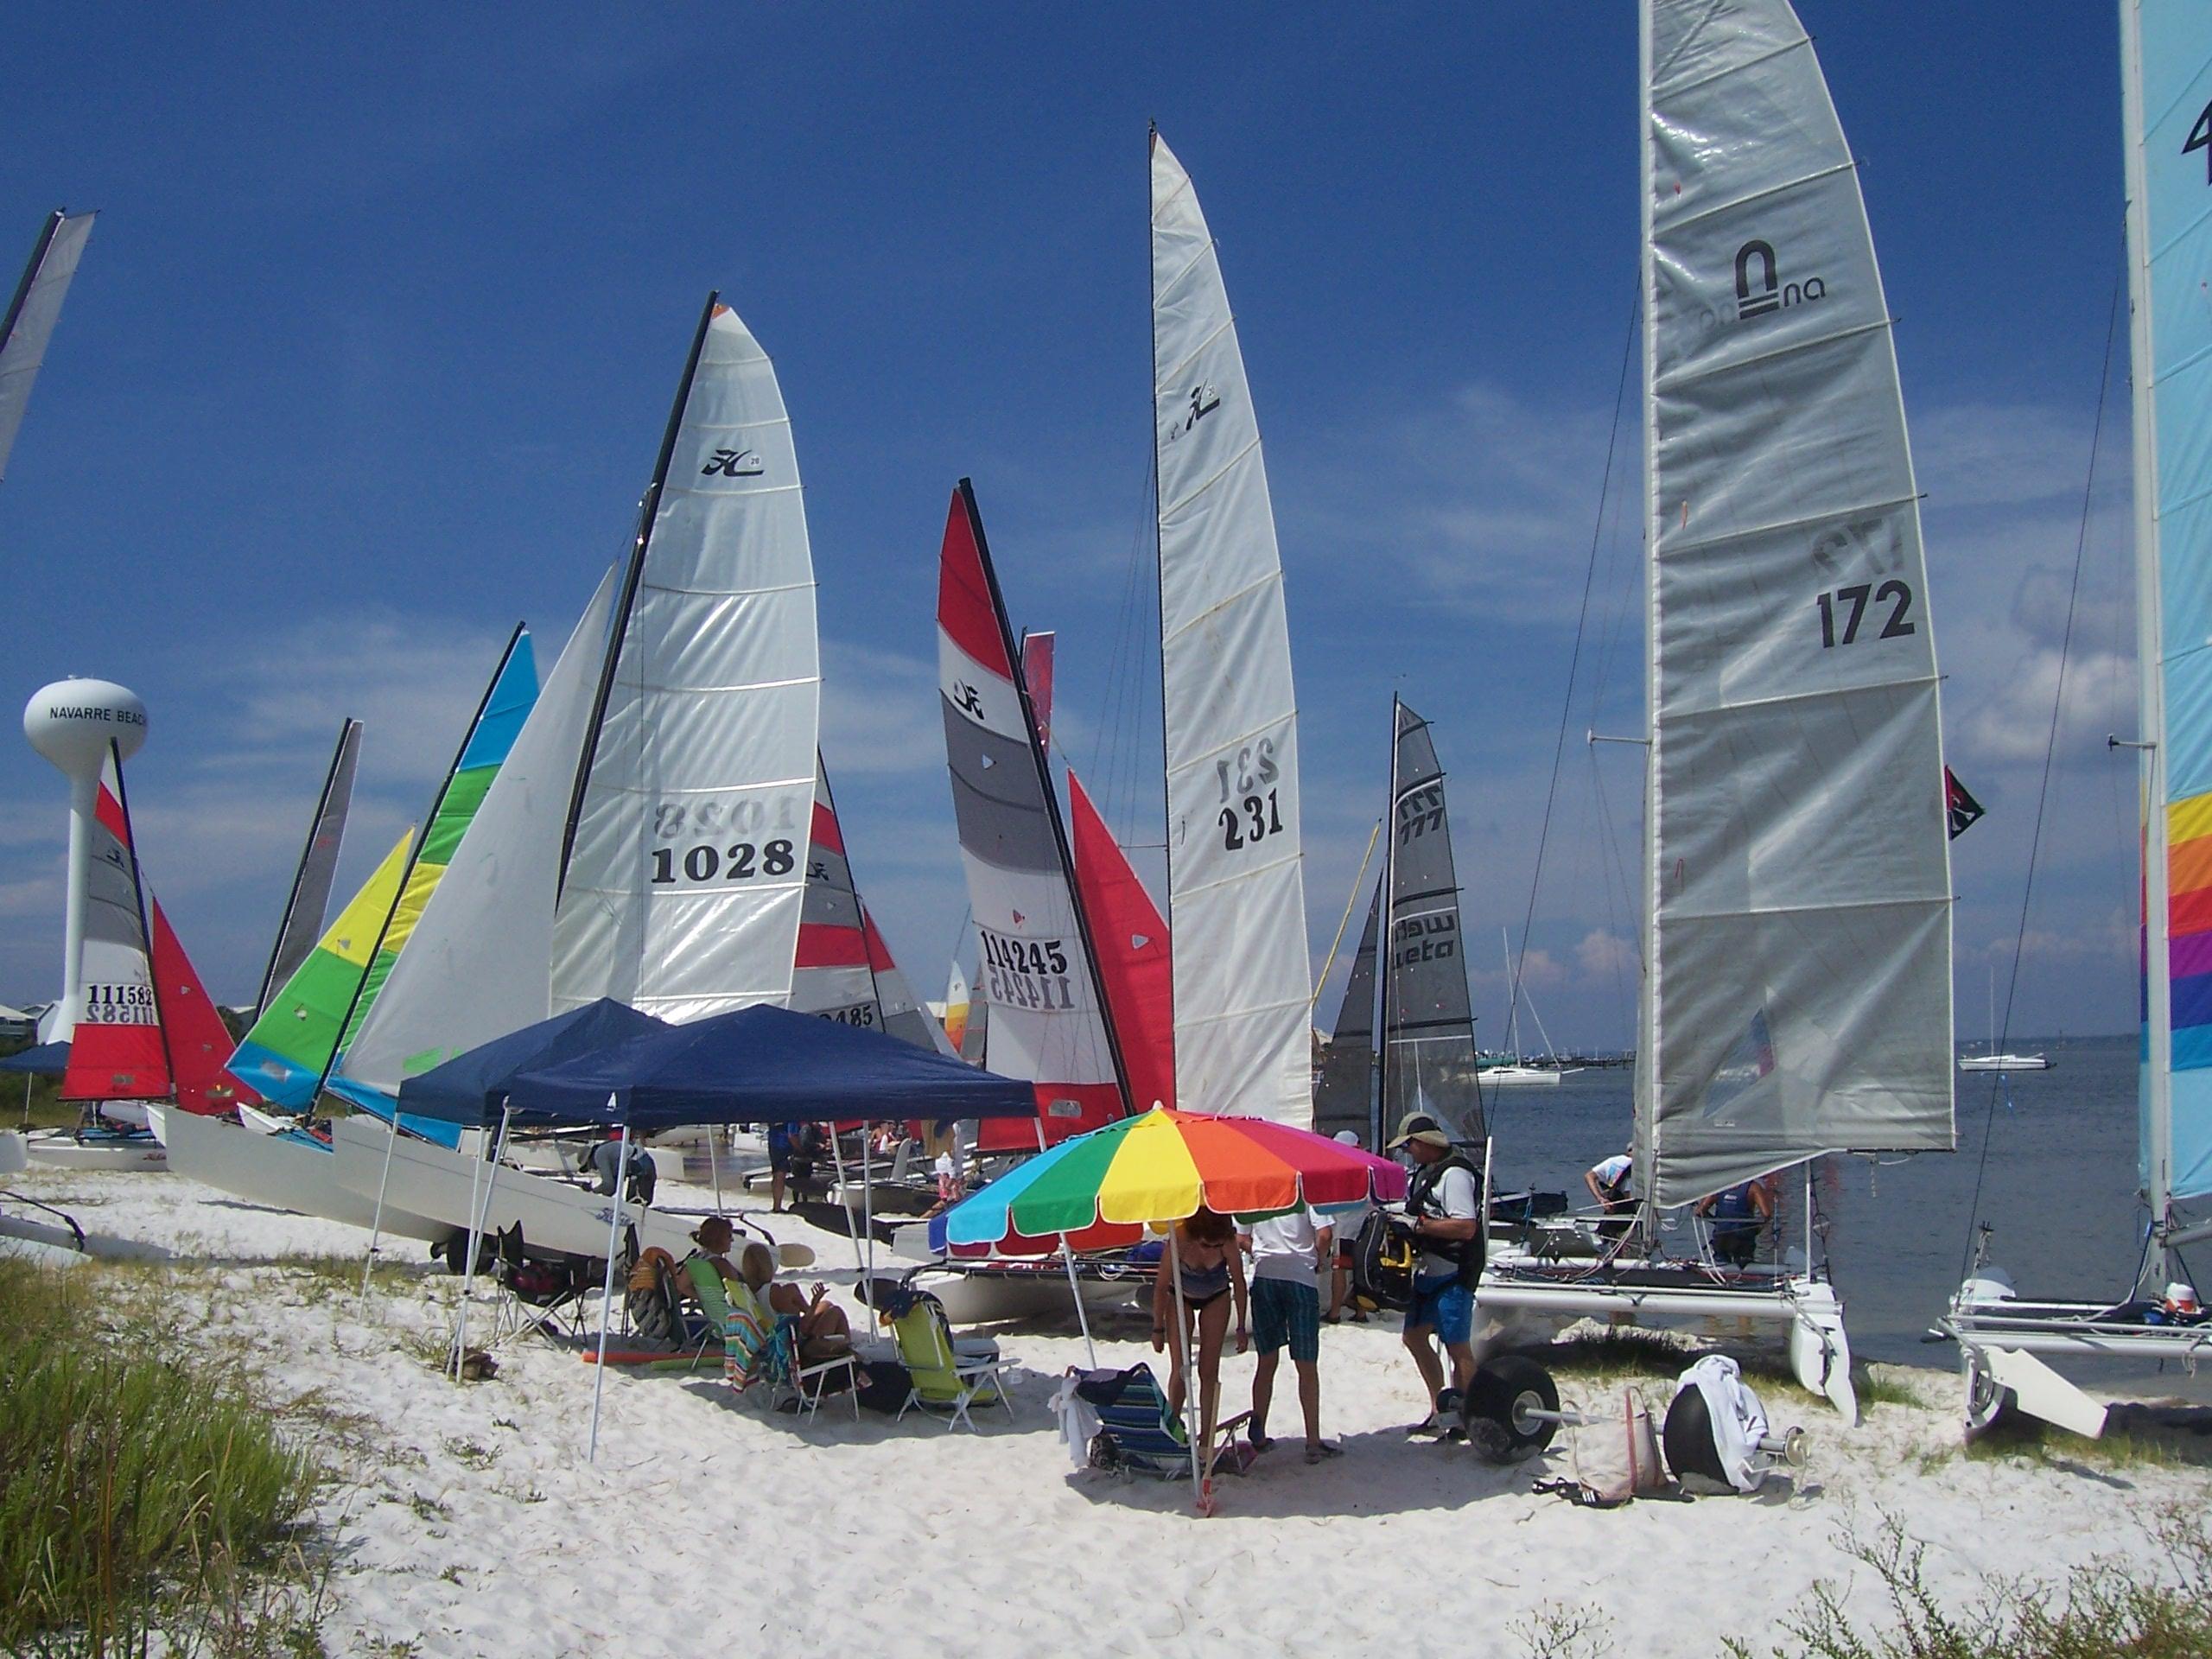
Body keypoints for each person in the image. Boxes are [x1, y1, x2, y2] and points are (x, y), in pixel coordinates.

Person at [1389, 1112, 1483, 1438]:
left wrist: (1418, 1226)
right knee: (1413, 1337)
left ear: (1425, 1142)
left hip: (1454, 1272)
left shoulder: (1455, 1175)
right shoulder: (1426, 1173)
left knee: (1458, 1349)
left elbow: (1466, 1226)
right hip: (1428, 1271)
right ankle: (1438, 1408)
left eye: (1409, 1145)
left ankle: (1467, 1415)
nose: (1407, 1152)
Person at [1240, 1205, 1338, 1463]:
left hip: (1265, 1276)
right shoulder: (1306, 1191)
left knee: (1266, 1360)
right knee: (1306, 1364)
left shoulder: (1257, 1194)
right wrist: (1316, 1257)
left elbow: (1241, 1236)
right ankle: (1313, 1442)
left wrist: (1262, 1252)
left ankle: (1258, 1435)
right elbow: (1325, 1234)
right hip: (1300, 1277)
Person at [1152, 1207, 1248, 1459]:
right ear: (1197, 1235)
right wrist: (1157, 1328)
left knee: (1209, 1369)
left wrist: (1240, 1328)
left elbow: (1239, 1282)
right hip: (1181, 1295)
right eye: (1207, 1245)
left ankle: (1206, 1437)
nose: (1211, 1249)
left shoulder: (1225, 1239)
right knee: (1181, 1367)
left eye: (1216, 1246)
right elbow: (1162, 1285)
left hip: (1216, 1295)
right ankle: (1173, 1425)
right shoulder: (1180, 1238)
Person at [736, 1242, 856, 1364]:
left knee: (826, 1304)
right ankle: (847, 1350)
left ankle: (842, 1345)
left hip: (779, 1338)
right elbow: (800, 1330)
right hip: (799, 1347)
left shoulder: (748, 1292)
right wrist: (814, 1303)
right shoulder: (775, 1292)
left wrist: (812, 1306)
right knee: (836, 1312)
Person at [1324, 1129, 1370, 1324]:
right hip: (1365, 1226)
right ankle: (1361, 1311)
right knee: (1360, 1269)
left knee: (1339, 1269)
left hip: (1343, 1227)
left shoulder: (1337, 1169)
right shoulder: (1367, 1167)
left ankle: (1334, 1312)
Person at [1697, 1173, 1776, 1267]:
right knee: (1745, 1262)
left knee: (1721, 1260)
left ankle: (1719, 1272)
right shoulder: (1753, 1187)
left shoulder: (1719, 1186)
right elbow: (1766, 1214)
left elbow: (1700, 1212)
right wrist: (1757, 1229)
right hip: (1743, 1237)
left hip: (1722, 1235)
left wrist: (1716, 1222)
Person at [589, 1131, 657, 1206]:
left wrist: (592, 1192)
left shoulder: (599, 1155)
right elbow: (612, 1188)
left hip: (640, 1168)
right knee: (637, 1204)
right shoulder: (608, 1151)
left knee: (636, 1205)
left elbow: (609, 1185)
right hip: (645, 1165)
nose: (594, 1169)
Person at [1585, 1147, 1634, 1242]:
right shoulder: (1638, 1166)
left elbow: (1589, 1176)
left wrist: (1600, 1199)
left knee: (1611, 1238)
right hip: (1629, 1213)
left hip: (1613, 1210)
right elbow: (1628, 1194)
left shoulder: (1613, 1161)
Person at [765, 1122, 795, 1213]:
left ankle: (776, 1205)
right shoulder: (791, 1115)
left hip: (773, 1143)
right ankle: (777, 1207)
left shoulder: (775, 1113)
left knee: (776, 1174)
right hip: (784, 1145)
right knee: (780, 1175)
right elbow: (792, 1135)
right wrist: (800, 1148)